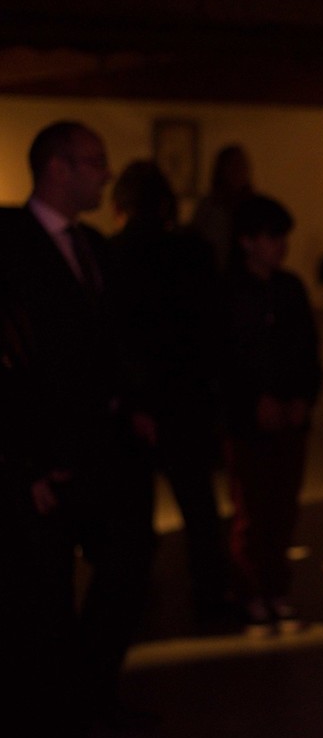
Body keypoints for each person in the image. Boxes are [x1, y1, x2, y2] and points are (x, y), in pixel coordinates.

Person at [0, 121, 157, 738]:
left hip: (104, 446)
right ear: (57, 168)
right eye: (95, 162)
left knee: (127, 567)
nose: (106, 174)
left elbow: (112, 343)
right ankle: (52, 710)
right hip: (44, 452)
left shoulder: (95, 245)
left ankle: (91, 692)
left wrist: (133, 405)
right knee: (43, 589)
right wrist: (26, 459)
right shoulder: (9, 242)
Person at [108, 160, 231, 628]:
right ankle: (211, 599)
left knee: (134, 514)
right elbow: (212, 329)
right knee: (199, 508)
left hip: (138, 404)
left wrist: (134, 399)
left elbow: (116, 338)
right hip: (187, 398)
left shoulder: (113, 253)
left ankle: (132, 602)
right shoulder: (192, 252)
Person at [220, 194, 322, 635]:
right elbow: (220, 359)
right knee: (250, 508)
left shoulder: (289, 288)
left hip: (290, 419)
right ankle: (250, 591)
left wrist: (301, 398)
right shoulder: (226, 292)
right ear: (247, 241)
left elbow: (306, 352)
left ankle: (274, 588)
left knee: (282, 507)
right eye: (272, 237)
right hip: (246, 422)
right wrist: (251, 401)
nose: (280, 246)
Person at [189, 144, 254, 271]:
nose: (239, 170)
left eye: (242, 165)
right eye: (233, 165)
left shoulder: (254, 207)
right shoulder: (209, 207)